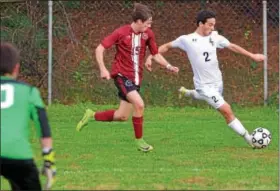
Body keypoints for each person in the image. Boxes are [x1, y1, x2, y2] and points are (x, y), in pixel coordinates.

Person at [146, 10, 266, 147]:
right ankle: (250, 139)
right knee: (227, 111)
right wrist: (151, 56)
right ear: (200, 24)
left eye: (213, 25)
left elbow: (231, 46)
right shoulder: (187, 39)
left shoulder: (214, 37)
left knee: (206, 97)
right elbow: (166, 46)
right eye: (210, 24)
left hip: (218, 82)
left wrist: (252, 56)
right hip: (204, 86)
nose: (212, 28)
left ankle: (188, 92)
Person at [76, 3, 179, 152]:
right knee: (140, 104)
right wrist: (103, 69)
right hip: (121, 75)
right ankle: (140, 142)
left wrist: (168, 66)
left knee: (122, 116)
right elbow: (100, 48)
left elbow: (156, 54)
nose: (149, 26)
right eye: (147, 23)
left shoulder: (148, 34)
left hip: (136, 79)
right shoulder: (121, 33)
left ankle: (91, 115)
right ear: (138, 21)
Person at [0, 42, 56, 190]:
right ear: (16, 68)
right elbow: (43, 127)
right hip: (18, 154)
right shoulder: (29, 92)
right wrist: (48, 160)